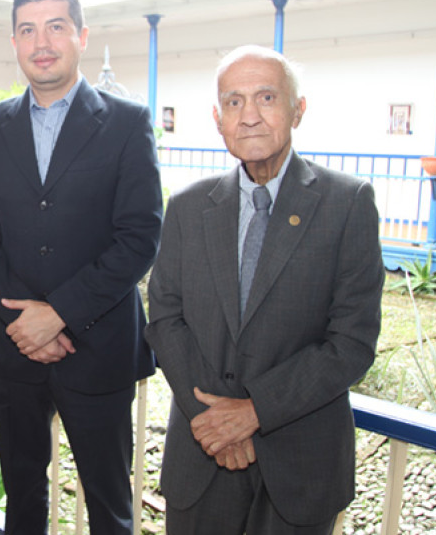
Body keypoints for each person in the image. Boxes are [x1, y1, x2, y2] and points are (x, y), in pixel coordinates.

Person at [145, 45, 384, 534]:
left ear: (298, 109)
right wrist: (216, 424)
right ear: (217, 118)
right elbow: (165, 318)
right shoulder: (189, 207)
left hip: (298, 466)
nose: (249, 116)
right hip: (201, 456)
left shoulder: (347, 203)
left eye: (266, 97)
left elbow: (352, 342)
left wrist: (254, 412)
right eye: (233, 102)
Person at [0, 0, 163, 534]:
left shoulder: (126, 122)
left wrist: (59, 313)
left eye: (55, 26)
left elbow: (139, 236)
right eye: (28, 29)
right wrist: (26, 321)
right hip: (13, 349)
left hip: (98, 346)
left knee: (108, 500)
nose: (41, 41)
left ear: (80, 35)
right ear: (15, 41)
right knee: (22, 496)